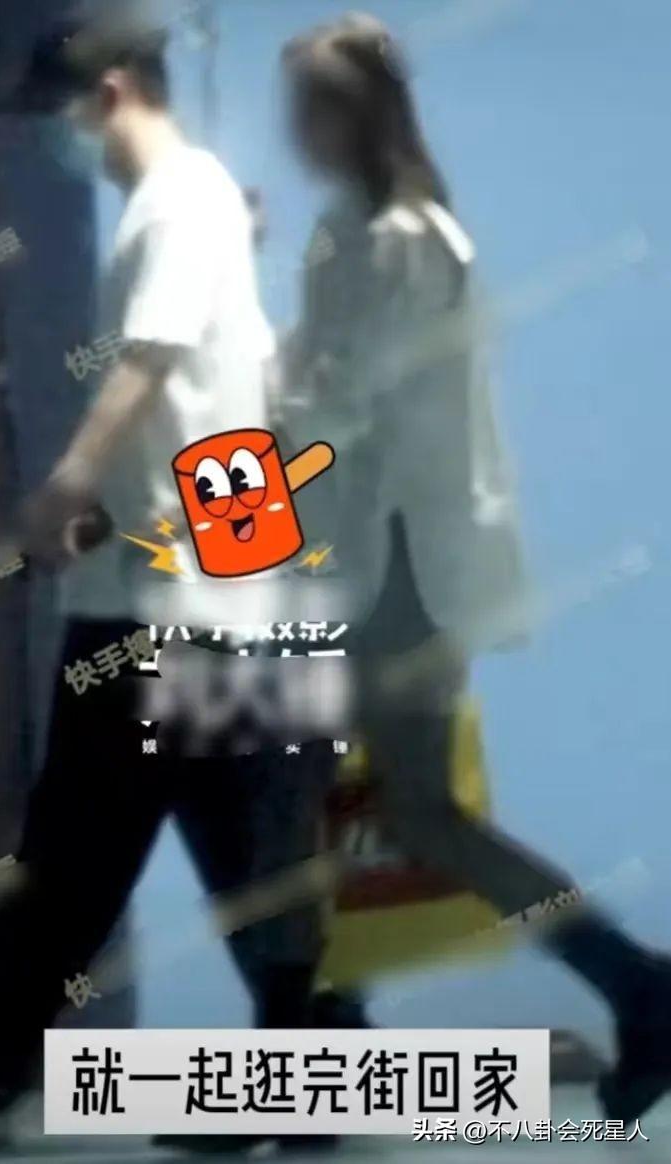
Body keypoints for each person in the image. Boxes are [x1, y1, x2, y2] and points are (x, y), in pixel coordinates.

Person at [0, 18, 336, 1148]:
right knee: (235, 852)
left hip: (154, 603)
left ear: (110, 93)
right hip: (213, 590)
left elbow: (149, 361)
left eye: (62, 114)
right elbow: (233, 401)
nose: (65, 138)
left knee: (75, 853)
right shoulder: (208, 205)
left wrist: (66, 482)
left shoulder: (176, 202)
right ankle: (315, 1078)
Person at [280, 12, 671, 1125]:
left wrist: (241, 412)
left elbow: (340, 401)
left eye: (307, 107)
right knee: (361, 804)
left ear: (351, 116)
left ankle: (327, 1041)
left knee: (355, 804)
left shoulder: (397, 239)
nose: (294, 129)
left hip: (392, 565)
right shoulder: (375, 230)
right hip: (380, 557)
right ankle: (626, 985)